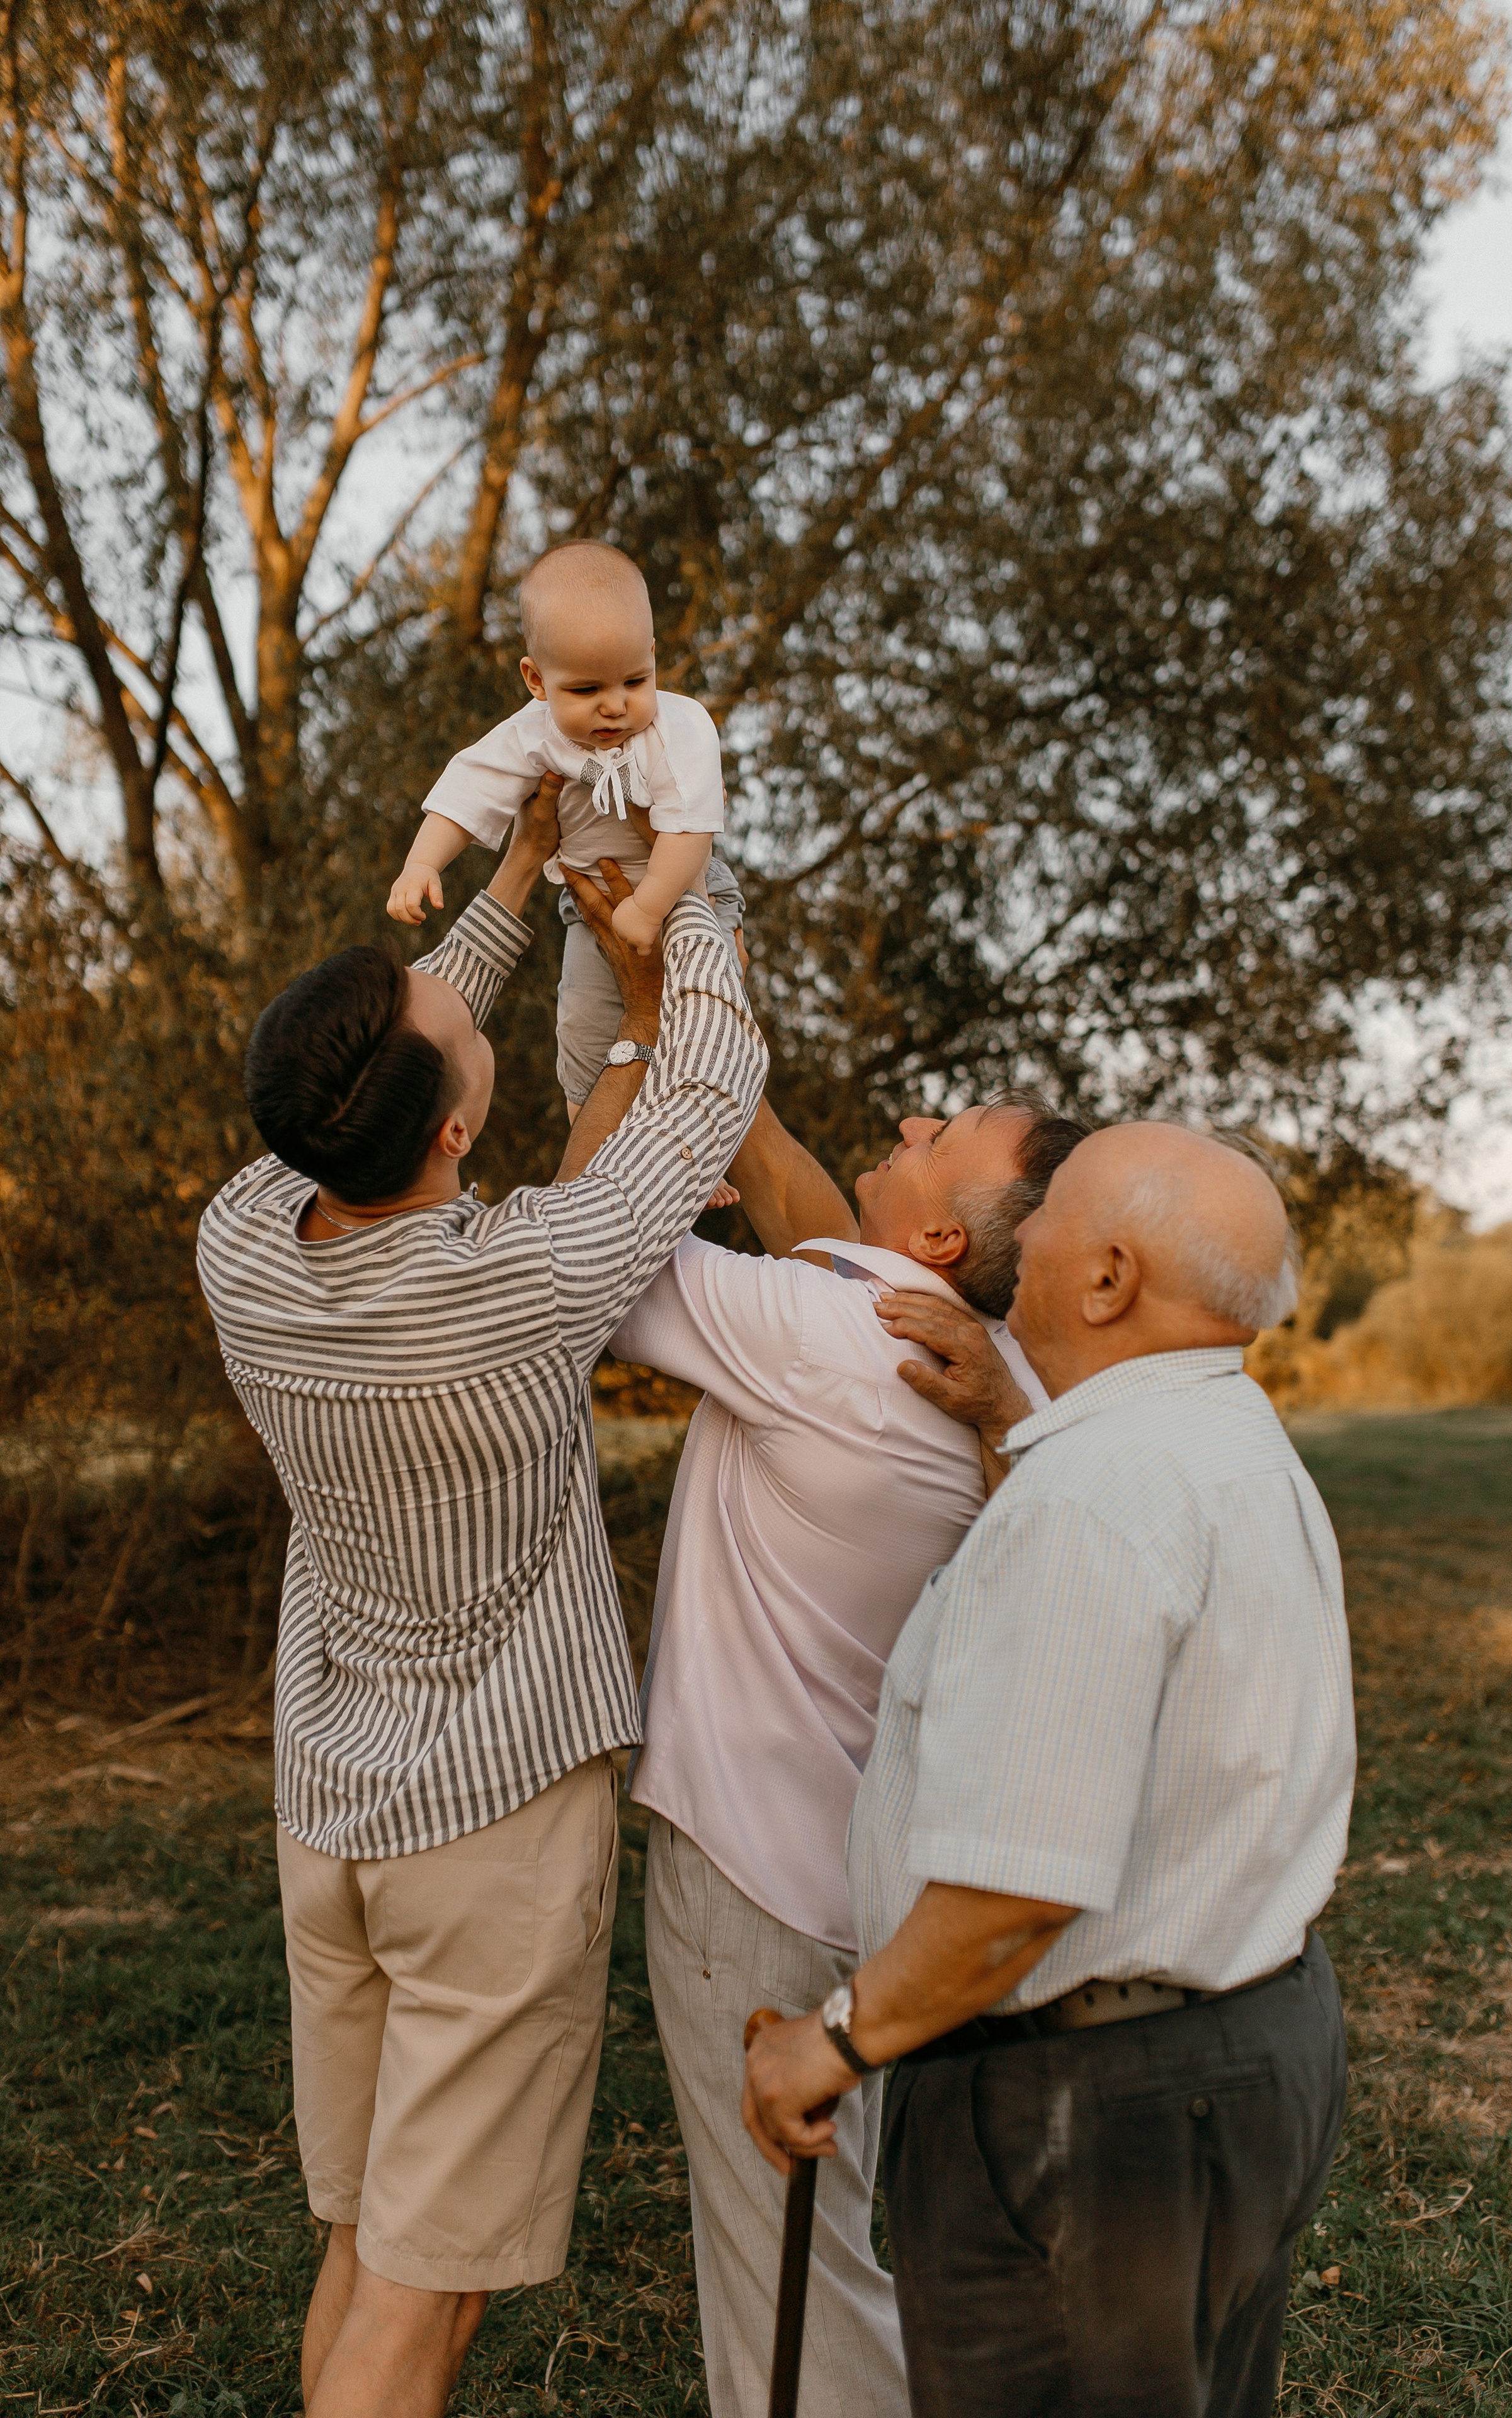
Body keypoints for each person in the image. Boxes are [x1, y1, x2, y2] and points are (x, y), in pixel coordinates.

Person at [195, 778, 765, 2418]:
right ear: (451, 1132)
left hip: (334, 1813)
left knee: (367, 2247)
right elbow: (711, 1082)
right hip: (491, 1831)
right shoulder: (517, 1280)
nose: (454, 987)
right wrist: (685, 885)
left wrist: (513, 871)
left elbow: (375, 1070)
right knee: (424, 2313)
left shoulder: (246, 1234)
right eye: (442, 1008)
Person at [743, 1122, 1356, 2418]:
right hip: (1252, 2038)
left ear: (1107, 1280)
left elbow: (1014, 1892)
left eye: (1053, 1213)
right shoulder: (1231, 1437)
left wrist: (834, 2046)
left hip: (1092, 2115)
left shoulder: (1089, 1500)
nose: (1019, 1239)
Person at [607, 1091, 1084, 2418]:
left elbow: (589, 1263)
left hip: (745, 1874)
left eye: (944, 1135)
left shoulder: (826, 1328)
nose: (913, 1114)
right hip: (869, 1874)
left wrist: (660, 1059)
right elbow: (801, 1208)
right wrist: (715, 1056)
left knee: (786, 2285)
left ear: (936, 1239)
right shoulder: (1010, 1386)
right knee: (844, 2239)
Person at [386, 542, 742, 1120]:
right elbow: (468, 789)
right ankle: (587, 1131)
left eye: (634, 680)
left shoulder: (682, 728)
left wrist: (650, 908)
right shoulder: (532, 733)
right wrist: (421, 863)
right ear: (536, 680)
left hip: (685, 890)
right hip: (589, 906)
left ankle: (711, 1147)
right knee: (582, 1024)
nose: (614, 707)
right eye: (586, 690)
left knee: (707, 1012)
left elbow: (689, 833)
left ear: (654, 656)